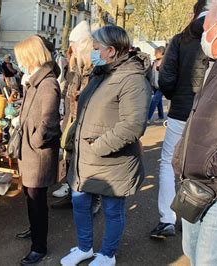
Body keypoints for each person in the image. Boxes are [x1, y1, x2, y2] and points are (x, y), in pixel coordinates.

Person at [61, 25, 150, 266]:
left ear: (110, 51)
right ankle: (84, 247)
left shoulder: (133, 80)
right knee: (80, 203)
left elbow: (132, 125)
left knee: (112, 210)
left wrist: (98, 147)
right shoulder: (100, 73)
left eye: (96, 47)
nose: (93, 51)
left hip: (112, 161)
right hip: (86, 159)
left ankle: (107, 254)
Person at [172, 0, 217, 264]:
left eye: (205, 28)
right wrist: (181, 157)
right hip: (197, 187)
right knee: (193, 255)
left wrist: (213, 163)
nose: (202, 35)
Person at [150, 0, 209, 239]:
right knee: (202, 167)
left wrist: (177, 96)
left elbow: (165, 79)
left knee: (168, 164)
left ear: (193, 13)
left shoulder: (180, 39)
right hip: (211, 117)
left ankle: (167, 219)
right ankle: (194, 217)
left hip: (180, 112)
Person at [13, 35, 61, 265]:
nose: (19, 62)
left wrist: (34, 140)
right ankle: (34, 231)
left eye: (22, 58)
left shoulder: (48, 82)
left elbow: (49, 121)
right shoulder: (34, 79)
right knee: (30, 196)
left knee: (37, 199)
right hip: (29, 150)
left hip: (37, 153)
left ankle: (39, 246)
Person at [51, 21, 101, 214]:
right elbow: (67, 89)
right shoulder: (75, 65)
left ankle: (93, 199)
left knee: (88, 163)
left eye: (73, 45)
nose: (70, 49)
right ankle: (72, 194)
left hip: (88, 121)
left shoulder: (95, 66)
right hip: (72, 116)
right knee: (70, 155)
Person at [147, 46, 166, 121]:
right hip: (155, 85)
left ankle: (147, 118)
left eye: (156, 53)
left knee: (154, 101)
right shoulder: (155, 62)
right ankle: (161, 117)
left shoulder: (166, 61)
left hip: (161, 85)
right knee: (158, 102)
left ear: (161, 53)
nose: (154, 54)